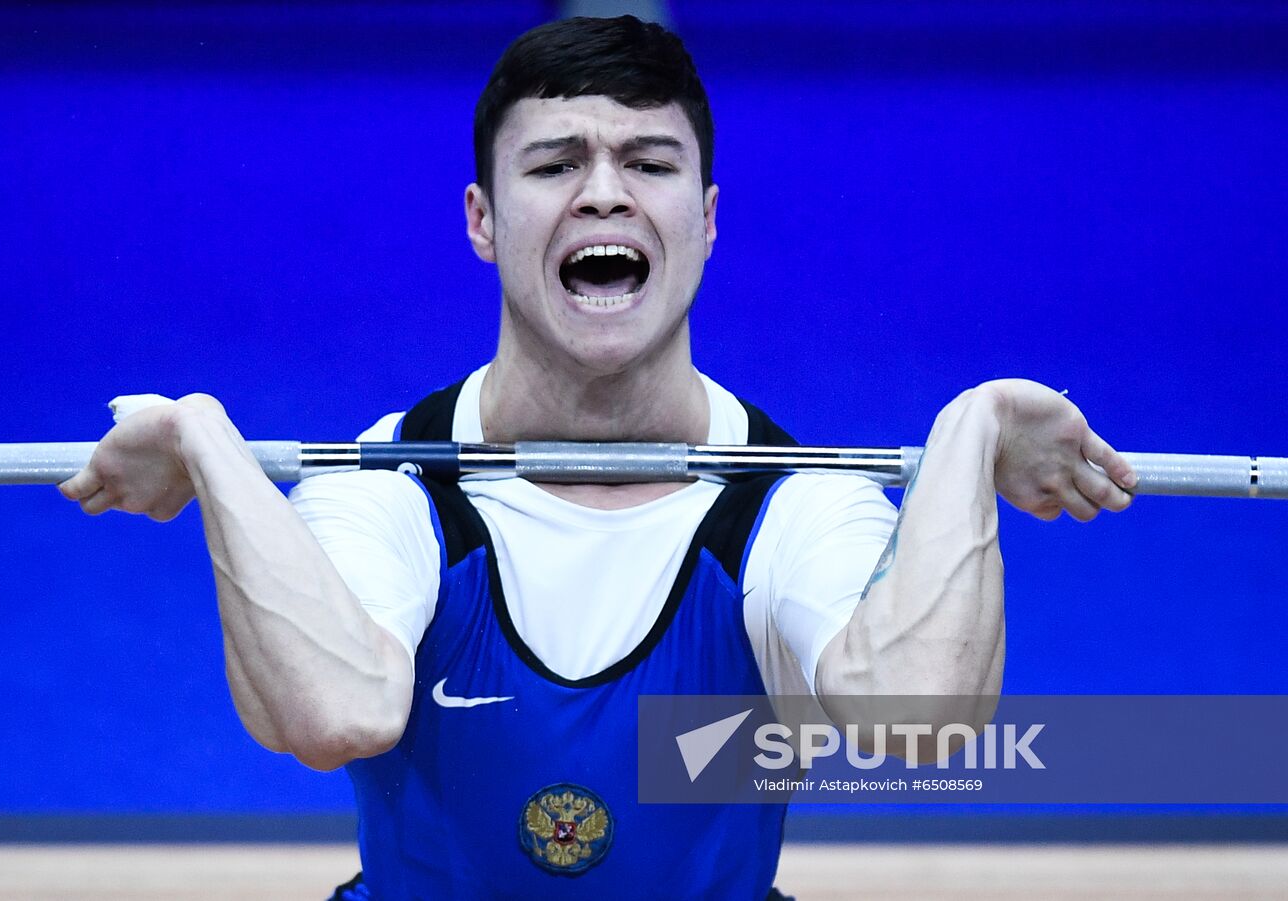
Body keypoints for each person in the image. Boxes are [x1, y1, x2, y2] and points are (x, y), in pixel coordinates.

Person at [58, 15, 1137, 899]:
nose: (605, 192)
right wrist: (208, 440)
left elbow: (915, 722)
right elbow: (330, 713)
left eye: (648, 161)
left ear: (705, 218)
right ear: (482, 219)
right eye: (556, 162)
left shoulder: (795, 498)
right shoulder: (388, 481)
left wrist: (972, 429)